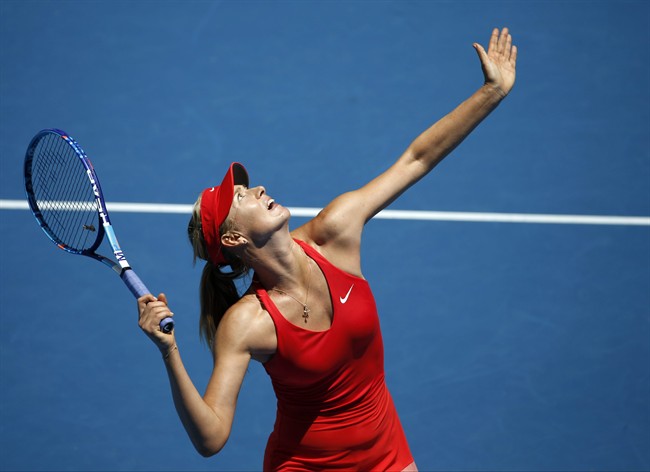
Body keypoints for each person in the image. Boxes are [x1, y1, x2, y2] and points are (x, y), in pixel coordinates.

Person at [138, 27, 517, 471]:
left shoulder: (334, 232)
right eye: (240, 198)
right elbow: (212, 437)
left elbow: (416, 158)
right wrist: (169, 351)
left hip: (388, 456)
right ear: (234, 238)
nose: (257, 188)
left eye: (247, 186)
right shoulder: (247, 323)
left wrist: (492, 92)